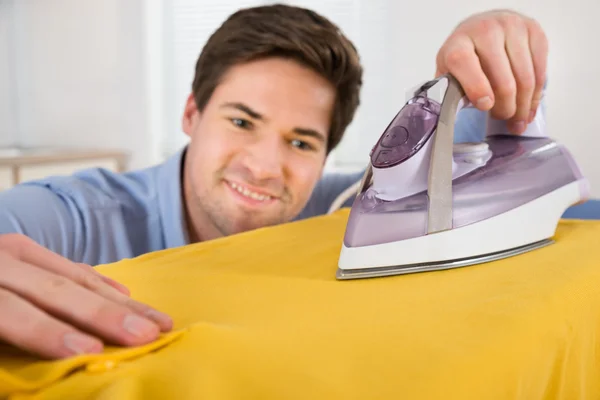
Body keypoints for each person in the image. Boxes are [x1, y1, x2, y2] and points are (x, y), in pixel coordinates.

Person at [0, 5, 548, 360]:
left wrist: (486, 74)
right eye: (241, 122)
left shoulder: (333, 212)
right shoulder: (74, 221)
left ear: (326, 156)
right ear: (192, 113)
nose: (264, 167)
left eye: (301, 141)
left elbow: (445, 176)